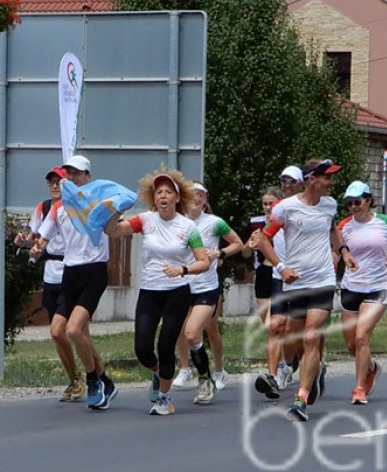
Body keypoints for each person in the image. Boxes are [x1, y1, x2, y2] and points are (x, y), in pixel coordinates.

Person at [104, 170, 210, 416]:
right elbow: (112, 231)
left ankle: (164, 398)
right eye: (159, 192)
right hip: (150, 292)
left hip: (176, 293)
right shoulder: (145, 220)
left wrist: (183, 269)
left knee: (165, 346)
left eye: (168, 192)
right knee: (142, 348)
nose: (163, 196)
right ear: (154, 198)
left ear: (176, 197)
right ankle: (158, 373)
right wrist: (118, 209)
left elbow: (203, 262)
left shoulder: (187, 227)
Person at [257, 158, 353, 422]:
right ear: (311, 179)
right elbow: (263, 239)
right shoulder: (285, 208)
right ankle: (316, 373)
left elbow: (332, 229)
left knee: (311, 337)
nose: (332, 183)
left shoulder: (330, 205)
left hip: (323, 279)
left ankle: (300, 399)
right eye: (327, 178)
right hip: (296, 282)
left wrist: (343, 251)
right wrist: (281, 267)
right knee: (298, 339)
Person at [33, 155, 118, 410]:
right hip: (70, 272)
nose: (71, 178)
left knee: (73, 330)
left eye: (77, 174)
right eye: (68, 174)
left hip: (94, 272)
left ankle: (92, 380)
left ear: (88, 177)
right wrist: (37, 247)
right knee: (59, 329)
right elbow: (43, 238)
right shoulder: (59, 208)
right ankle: (105, 380)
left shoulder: (100, 202)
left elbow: (115, 224)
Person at [16, 166, 84, 402]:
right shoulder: (43, 208)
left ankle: (95, 377)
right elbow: (32, 238)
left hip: (74, 273)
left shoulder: (75, 207)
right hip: (51, 275)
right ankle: (76, 379)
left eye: (59, 181)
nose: (55, 186)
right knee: (59, 334)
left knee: (69, 330)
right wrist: (24, 240)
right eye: (51, 182)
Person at [337, 180, 387, 405]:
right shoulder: (344, 226)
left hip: (378, 286)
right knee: (350, 345)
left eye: (357, 202)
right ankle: (372, 367)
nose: (354, 207)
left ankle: (359, 388)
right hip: (350, 286)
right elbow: (336, 250)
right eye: (349, 203)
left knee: (361, 336)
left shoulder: (384, 222)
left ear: (368, 201)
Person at [173, 182, 243, 401]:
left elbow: (237, 244)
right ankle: (185, 369)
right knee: (182, 330)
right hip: (182, 285)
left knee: (204, 330)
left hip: (206, 285)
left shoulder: (215, 223)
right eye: (192, 194)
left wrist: (219, 253)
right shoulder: (177, 223)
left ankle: (218, 371)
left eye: (200, 195)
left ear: (205, 200)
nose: (196, 198)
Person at [251, 171, 302, 400]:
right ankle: (273, 374)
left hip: (307, 276)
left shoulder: (314, 207)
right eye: (283, 181)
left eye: (291, 181)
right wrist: (278, 265)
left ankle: (294, 365)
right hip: (280, 275)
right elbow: (264, 239)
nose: (286, 184)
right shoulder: (279, 209)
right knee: (275, 326)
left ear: (301, 183)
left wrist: (338, 252)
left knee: (296, 330)